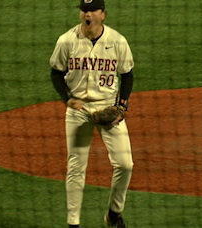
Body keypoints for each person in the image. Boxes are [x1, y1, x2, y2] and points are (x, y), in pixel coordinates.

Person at [49, 0, 134, 227]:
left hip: (108, 108)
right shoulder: (66, 40)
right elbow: (56, 73)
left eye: (92, 11)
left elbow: (127, 74)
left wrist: (121, 106)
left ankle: (114, 213)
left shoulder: (117, 41)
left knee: (125, 165)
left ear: (102, 15)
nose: (87, 15)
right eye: (84, 11)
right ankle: (73, 223)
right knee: (76, 166)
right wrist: (68, 99)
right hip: (79, 113)